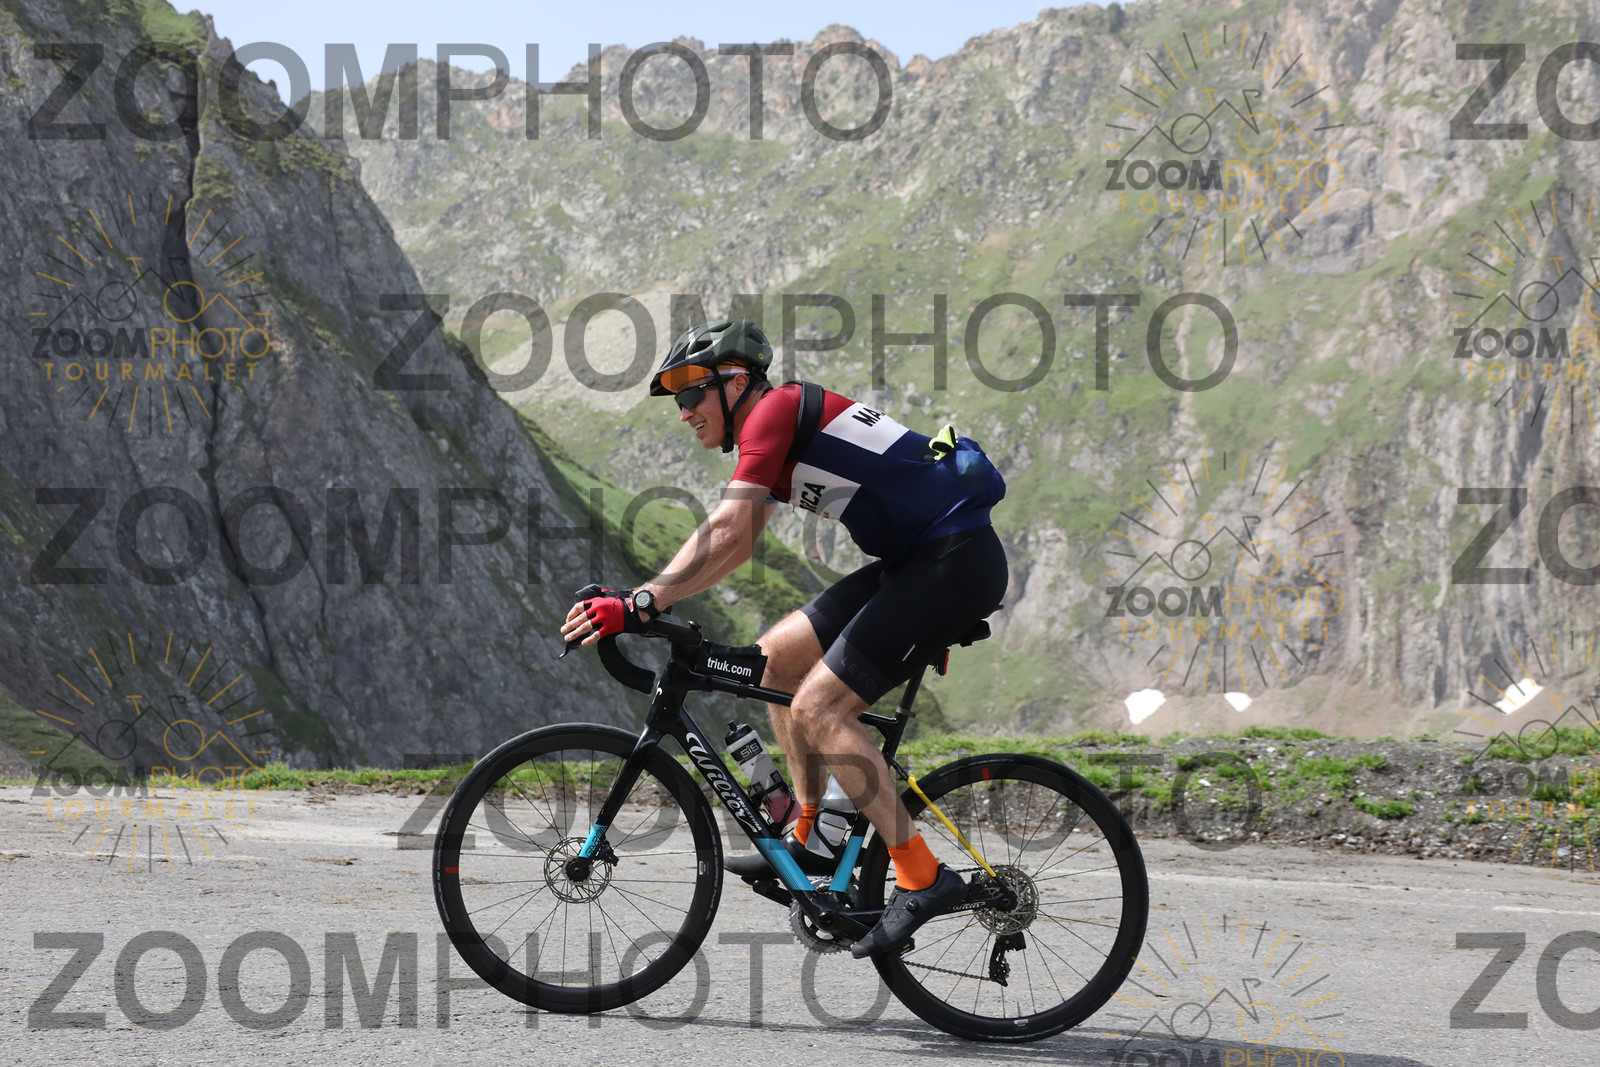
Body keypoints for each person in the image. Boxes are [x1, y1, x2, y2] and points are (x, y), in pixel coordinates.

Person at [560, 318, 1008, 958]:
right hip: (916, 562)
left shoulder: (774, 411)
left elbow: (725, 528)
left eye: (692, 393)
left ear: (736, 382)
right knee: (775, 662)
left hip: (954, 559)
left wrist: (643, 601)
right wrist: (652, 599)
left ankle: (922, 876)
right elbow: (737, 543)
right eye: (678, 400)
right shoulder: (776, 431)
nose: (684, 412)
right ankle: (811, 834)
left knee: (819, 709)